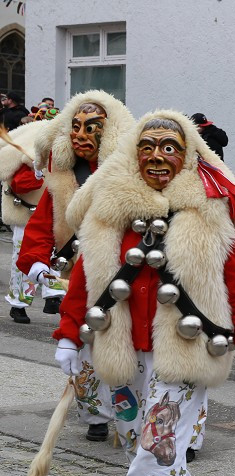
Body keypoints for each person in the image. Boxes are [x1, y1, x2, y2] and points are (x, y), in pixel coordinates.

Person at [56, 110, 235, 476]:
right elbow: (85, 278)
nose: (158, 156)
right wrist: (70, 335)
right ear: (133, 152)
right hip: (121, 350)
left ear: (188, 154)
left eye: (169, 147)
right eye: (148, 147)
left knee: (154, 448)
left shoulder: (211, 208)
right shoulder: (111, 205)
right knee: (143, 443)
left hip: (186, 354)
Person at [17, 91, 135, 441]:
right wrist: (36, 262)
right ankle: (96, 416)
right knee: (82, 344)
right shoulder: (62, 175)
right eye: (76, 126)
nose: (81, 134)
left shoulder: (128, 173)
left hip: (120, 273)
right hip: (74, 275)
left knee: (125, 342)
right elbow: (42, 223)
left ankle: (129, 414)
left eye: (91, 127)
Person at [1, 121, 49, 324]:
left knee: (58, 258)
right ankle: (18, 304)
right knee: (24, 258)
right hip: (27, 216)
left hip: (54, 217)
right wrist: (36, 173)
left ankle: (52, 295)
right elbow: (20, 185)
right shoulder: (28, 159)